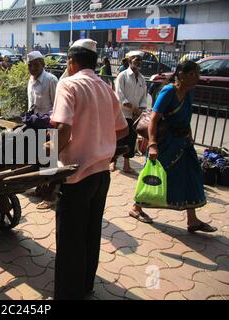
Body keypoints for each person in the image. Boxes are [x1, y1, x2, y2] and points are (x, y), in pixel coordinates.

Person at [49, 39, 128, 300]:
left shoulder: (68, 83)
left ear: (71, 62)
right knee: (91, 232)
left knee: (71, 240)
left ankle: (67, 295)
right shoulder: (106, 87)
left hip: (76, 176)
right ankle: (85, 286)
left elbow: (62, 130)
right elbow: (123, 129)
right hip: (101, 174)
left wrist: (42, 154)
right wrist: (99, 137)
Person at [128, 61, 217, 233]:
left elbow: (186, 119)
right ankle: (136, 207)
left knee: (191, 175)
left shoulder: (189, 93)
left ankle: (193, 220)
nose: (197, 78)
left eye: (197, 73)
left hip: (183, 143)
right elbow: (153, 119)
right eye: (193, 74)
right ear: (181, 75)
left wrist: (190, 138)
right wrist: (152, 144)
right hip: (166, 144)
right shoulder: (169, 92)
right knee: (155, 177)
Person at [27, 50, 58, 210]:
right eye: (30, 65)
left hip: (49, 127)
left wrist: (51, 126)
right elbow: (30, 104)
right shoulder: (31, 81)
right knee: (38, 159)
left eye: (36, 65)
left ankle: (50, 196)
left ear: (43, 65)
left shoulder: (51, 80)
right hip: (35, 125)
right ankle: (40, 188)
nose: (32, 68)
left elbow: (57, 106)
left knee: (49, 161)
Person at [110, 52, 147, 174]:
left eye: (140, 60)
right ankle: (112, 162)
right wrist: (134, 109)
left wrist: (140, 110)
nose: (138, 62)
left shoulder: (141, 78)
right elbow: (120, 96)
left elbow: (144, 97)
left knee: (131, 139)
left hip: (135, 116)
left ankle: (126, 165)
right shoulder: (122, 76)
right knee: (119, 138)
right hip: (122, 114)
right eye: (136, 59)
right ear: (130, 60)